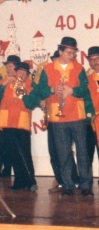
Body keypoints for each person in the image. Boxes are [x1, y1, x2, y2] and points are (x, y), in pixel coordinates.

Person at [38, 36, 95, 197]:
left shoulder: (79, 68)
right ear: (60, 51)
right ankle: (68, 185)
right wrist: (51, 90)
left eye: (74, 53)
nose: (72, 56)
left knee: (83, 152)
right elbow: (40, 91)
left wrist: (73, 91)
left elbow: (85, 89)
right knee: (63, 153)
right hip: (57, 118)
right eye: (69, 52)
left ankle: (86, 186)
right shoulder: (48, 69)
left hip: (77, 116)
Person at [37, 50, 79, 193]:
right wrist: (41, 101)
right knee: (54, 152)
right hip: (52, 118)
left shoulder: (72, 71)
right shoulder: (48, 73)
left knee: (65, 152)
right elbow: (41, 92)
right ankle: (61, 181)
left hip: (65, 118)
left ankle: (73, 180)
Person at [0, 62, 38, 191]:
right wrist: (4, 83)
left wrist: (23, 91)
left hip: (21, 124)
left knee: (23, 154)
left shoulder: (31, 85)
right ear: (15, 72)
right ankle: (12, 182)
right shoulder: (6, 82)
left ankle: (29, 182)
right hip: (6, 123)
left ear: (28, 75)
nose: (21, 75)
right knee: (8, 154)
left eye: (24, 73)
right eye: (19, 72)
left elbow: (31, 104)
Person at [86, 46, 99, 165]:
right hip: (91, 122)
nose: (96, 62)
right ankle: (86, 181)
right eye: (93, 59)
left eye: (98, 58)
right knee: (87, 152)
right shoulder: (86, 80)